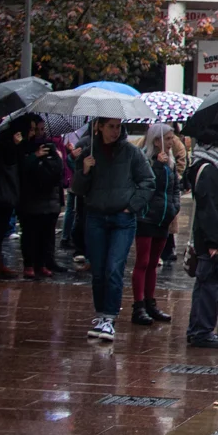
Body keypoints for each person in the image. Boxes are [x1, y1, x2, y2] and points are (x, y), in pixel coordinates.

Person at [70, 116, 154, 341]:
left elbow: (148, 181)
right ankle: (101, 315)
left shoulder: (131, 152)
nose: (115, 131)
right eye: (111, 127)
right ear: (99, 127)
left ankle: (109, 317)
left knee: (114, 268)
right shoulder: (89, 151)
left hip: (122, 219)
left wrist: (131, 206)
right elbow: (77, 189)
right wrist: (84, 171)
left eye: (118, 127)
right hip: (96, 216)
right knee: (98, 270)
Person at [185, 132, 218, 348]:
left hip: (214, 237)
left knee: (209, 284)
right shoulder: (209, 170)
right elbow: (210, 208)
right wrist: (213, 242)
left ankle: (199, 329)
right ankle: (201, 330)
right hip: (212, 239)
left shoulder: (213, 168)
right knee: (210, 284)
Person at [130, 128, 185, 324]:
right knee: (143, 262)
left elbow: (175, 188)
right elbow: (149, 185)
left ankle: (150, 302)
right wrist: (159, 166)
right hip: (146, 218)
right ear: (156, 141)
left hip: (163, 219)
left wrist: (174, 208)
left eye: (172, 138)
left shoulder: (170, 163)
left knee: (153, 263)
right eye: (167, 138)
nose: (171, 142)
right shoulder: (147, 161)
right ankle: (138, 306)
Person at [16, 116, 67, 280]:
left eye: (41, 129)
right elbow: (20, 168)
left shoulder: (51, 146)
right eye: (35, 129)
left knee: (46, 234)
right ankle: (29, 264)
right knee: (30, 233)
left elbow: (59, 171)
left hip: (49, 197)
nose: (38, 133)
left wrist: (57, 157)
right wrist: (34, 157)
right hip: (30, 197)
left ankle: (42, 263)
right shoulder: (23, 147)